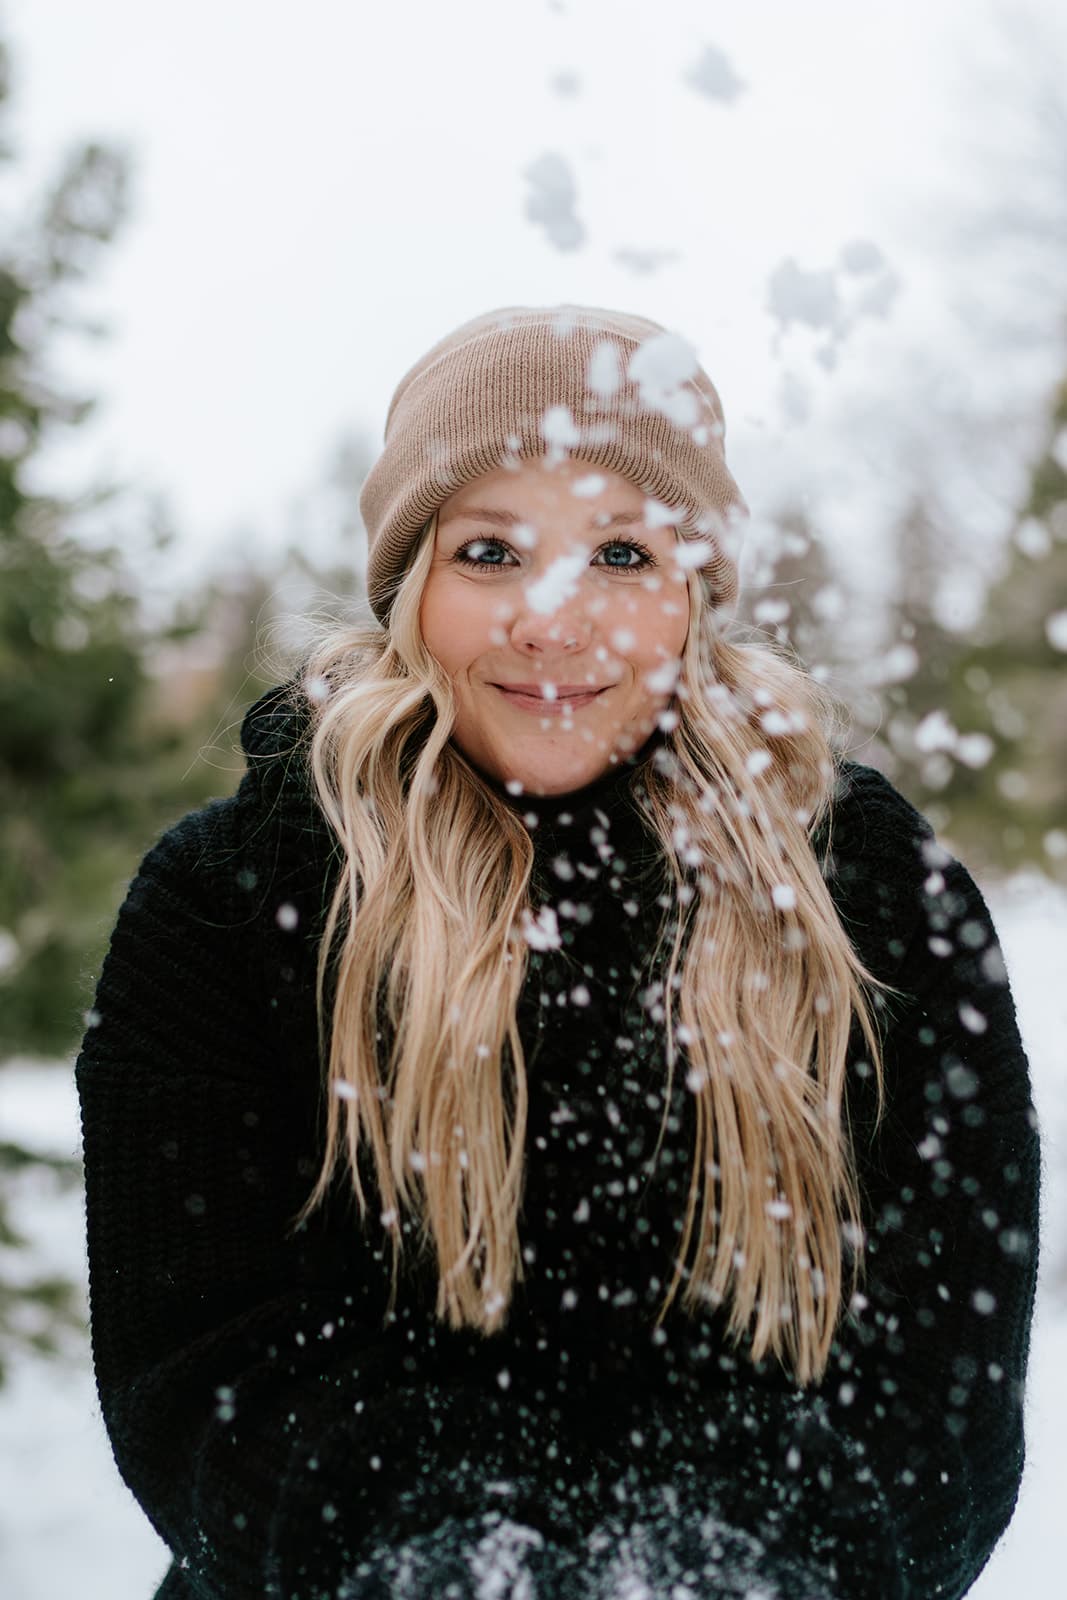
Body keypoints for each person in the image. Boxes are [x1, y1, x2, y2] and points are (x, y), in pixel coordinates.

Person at [75, 305, 1040, 1600]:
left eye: (624, 552)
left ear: (696, 590)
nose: (553, 620)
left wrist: (732, 1564)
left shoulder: (865, 892)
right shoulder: (233, 899)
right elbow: (195, 1371)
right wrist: (440, 1560)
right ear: (413, 584)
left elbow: (938, 1379)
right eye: (490, 551)